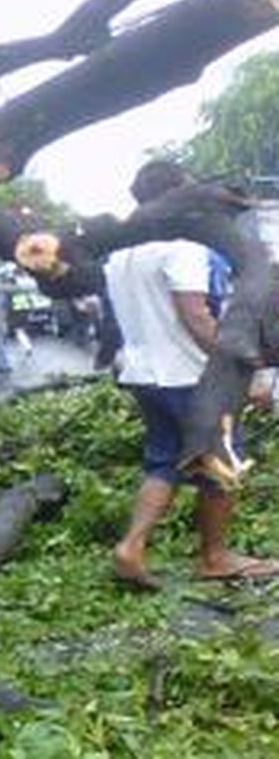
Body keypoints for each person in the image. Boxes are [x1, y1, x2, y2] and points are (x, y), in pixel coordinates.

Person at [106, 159, 277, 588]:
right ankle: (215, 557)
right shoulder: (181, 245)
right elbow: (196, 318)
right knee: (220, 462)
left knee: (165, 461)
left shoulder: (123, 252)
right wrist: (243, 373)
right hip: (191, 377)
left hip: (144, 374)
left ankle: (131, 547)